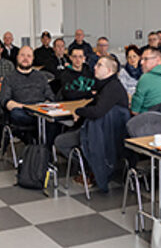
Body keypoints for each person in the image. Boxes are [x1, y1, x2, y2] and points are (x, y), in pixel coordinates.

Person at [54, 55, 130, 192]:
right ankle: (91, 168)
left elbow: (97, 111)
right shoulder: (108, 85)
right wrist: (82, 110)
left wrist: (79, 111)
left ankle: (91, 167)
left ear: (108, 71)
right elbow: (95, 102)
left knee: (61, 141)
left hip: (99, 134)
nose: (94, 67)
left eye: (99, 65)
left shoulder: (111, 88)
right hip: (105, 134)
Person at [0, 47, 55, 151]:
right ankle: (35, 147)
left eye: (29, 56)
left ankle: (44, 154)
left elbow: (50, 96)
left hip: (40, 111)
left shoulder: (40, 76)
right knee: (16, 114)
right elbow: (5, 101)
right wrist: (26, 107)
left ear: (33, 59)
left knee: (53, 121)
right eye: (22, 55)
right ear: (17, 57)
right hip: (21, 111)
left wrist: (42, 107)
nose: (25, 58)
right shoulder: (9, 78)